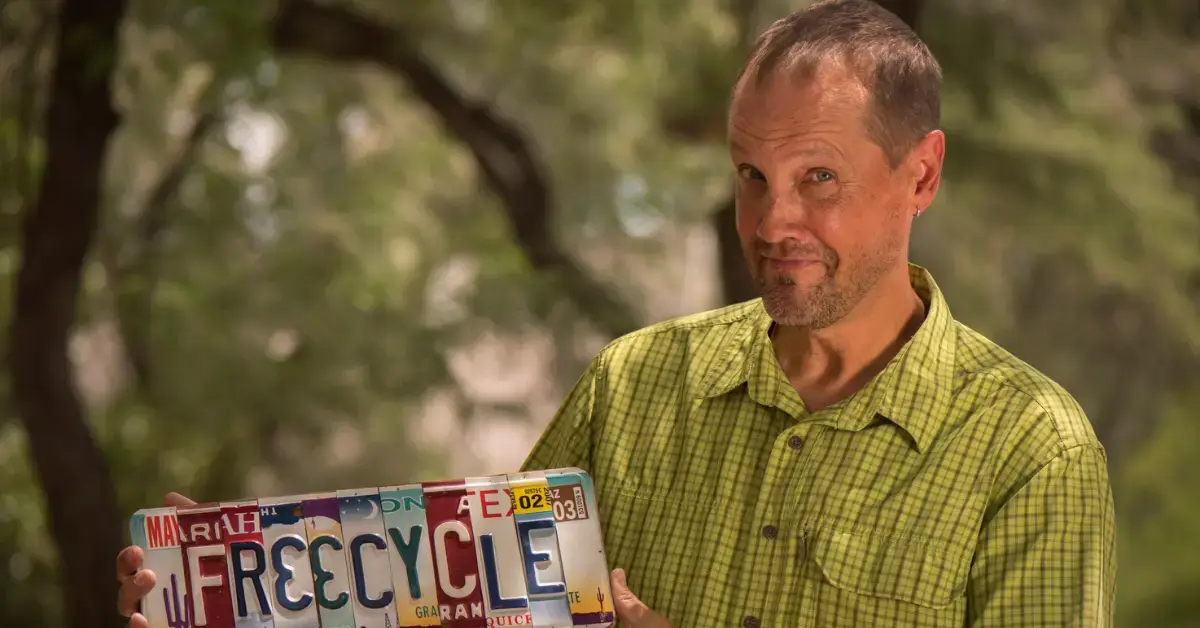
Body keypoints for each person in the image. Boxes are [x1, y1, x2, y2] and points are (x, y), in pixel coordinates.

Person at [117, 0, 1117, 626]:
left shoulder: (1031, 451)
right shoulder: (634, 384)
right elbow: (482, 606)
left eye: (820, 176)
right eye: (751, 175)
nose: (773, 220)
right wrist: (240, 582)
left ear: (921, 174)